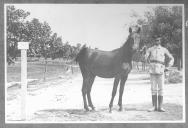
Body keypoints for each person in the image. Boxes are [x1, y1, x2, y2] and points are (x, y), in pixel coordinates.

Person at [145, 37, 174, 112]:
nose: (156, 41)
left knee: (161, 89)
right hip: (152, 71)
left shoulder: (164, 49)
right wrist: (148, 62)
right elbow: (145, 57)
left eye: (158, 40)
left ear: (160, 41)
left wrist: (168, 67)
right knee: (153, 89)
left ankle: (160, 107)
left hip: (161, 71)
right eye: (155, 40)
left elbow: (171, 58)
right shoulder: (150, 49)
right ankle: (154, 106)